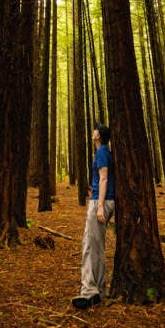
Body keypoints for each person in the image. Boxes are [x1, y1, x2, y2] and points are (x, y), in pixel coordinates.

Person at [72, 122, 115, 310]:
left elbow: (104, 178)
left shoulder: (102, 152)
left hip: (101, 201)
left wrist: (98, 207)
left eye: (95, 130)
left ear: (99, 136)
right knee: (95, 246)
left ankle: (89, 291)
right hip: (103, 201)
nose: (93, 131)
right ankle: (99, 289)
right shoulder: (102, 152)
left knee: (89, 245)